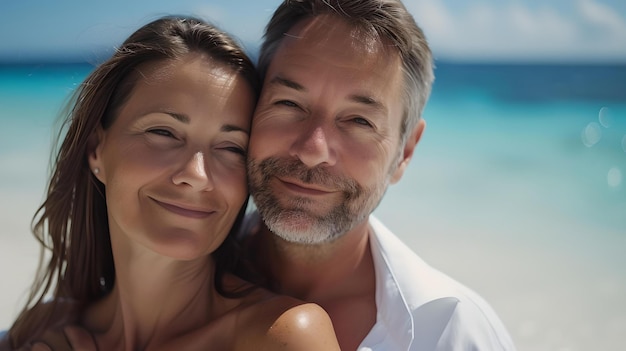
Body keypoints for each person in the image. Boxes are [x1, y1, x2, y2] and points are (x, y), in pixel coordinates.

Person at [0, 16, 340, 351]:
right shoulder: (41, 328)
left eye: (231, 148)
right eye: (163, 132)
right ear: (96, 150)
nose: (196, 174)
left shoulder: (283, 336)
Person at [238, 0, 517, 350]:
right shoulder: (172, 273)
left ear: (406, 152)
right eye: (289, 104)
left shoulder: (452, 333)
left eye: (359, 121)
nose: (313, 149)